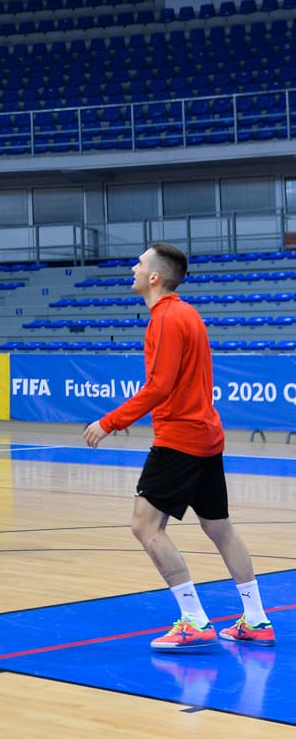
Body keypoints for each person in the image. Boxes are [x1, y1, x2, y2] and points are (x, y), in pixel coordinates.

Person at [83, 242, 274, 650]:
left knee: (145, 526)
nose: (133, 267)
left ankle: (193, 620)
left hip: (180, 438)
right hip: (205, 436)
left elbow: (160, 386)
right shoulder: (185, 313)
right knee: (218, 527)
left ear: (154, 276)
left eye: (139, 263)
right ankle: (256, 620)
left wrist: (109, 422)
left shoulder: (167, 319)